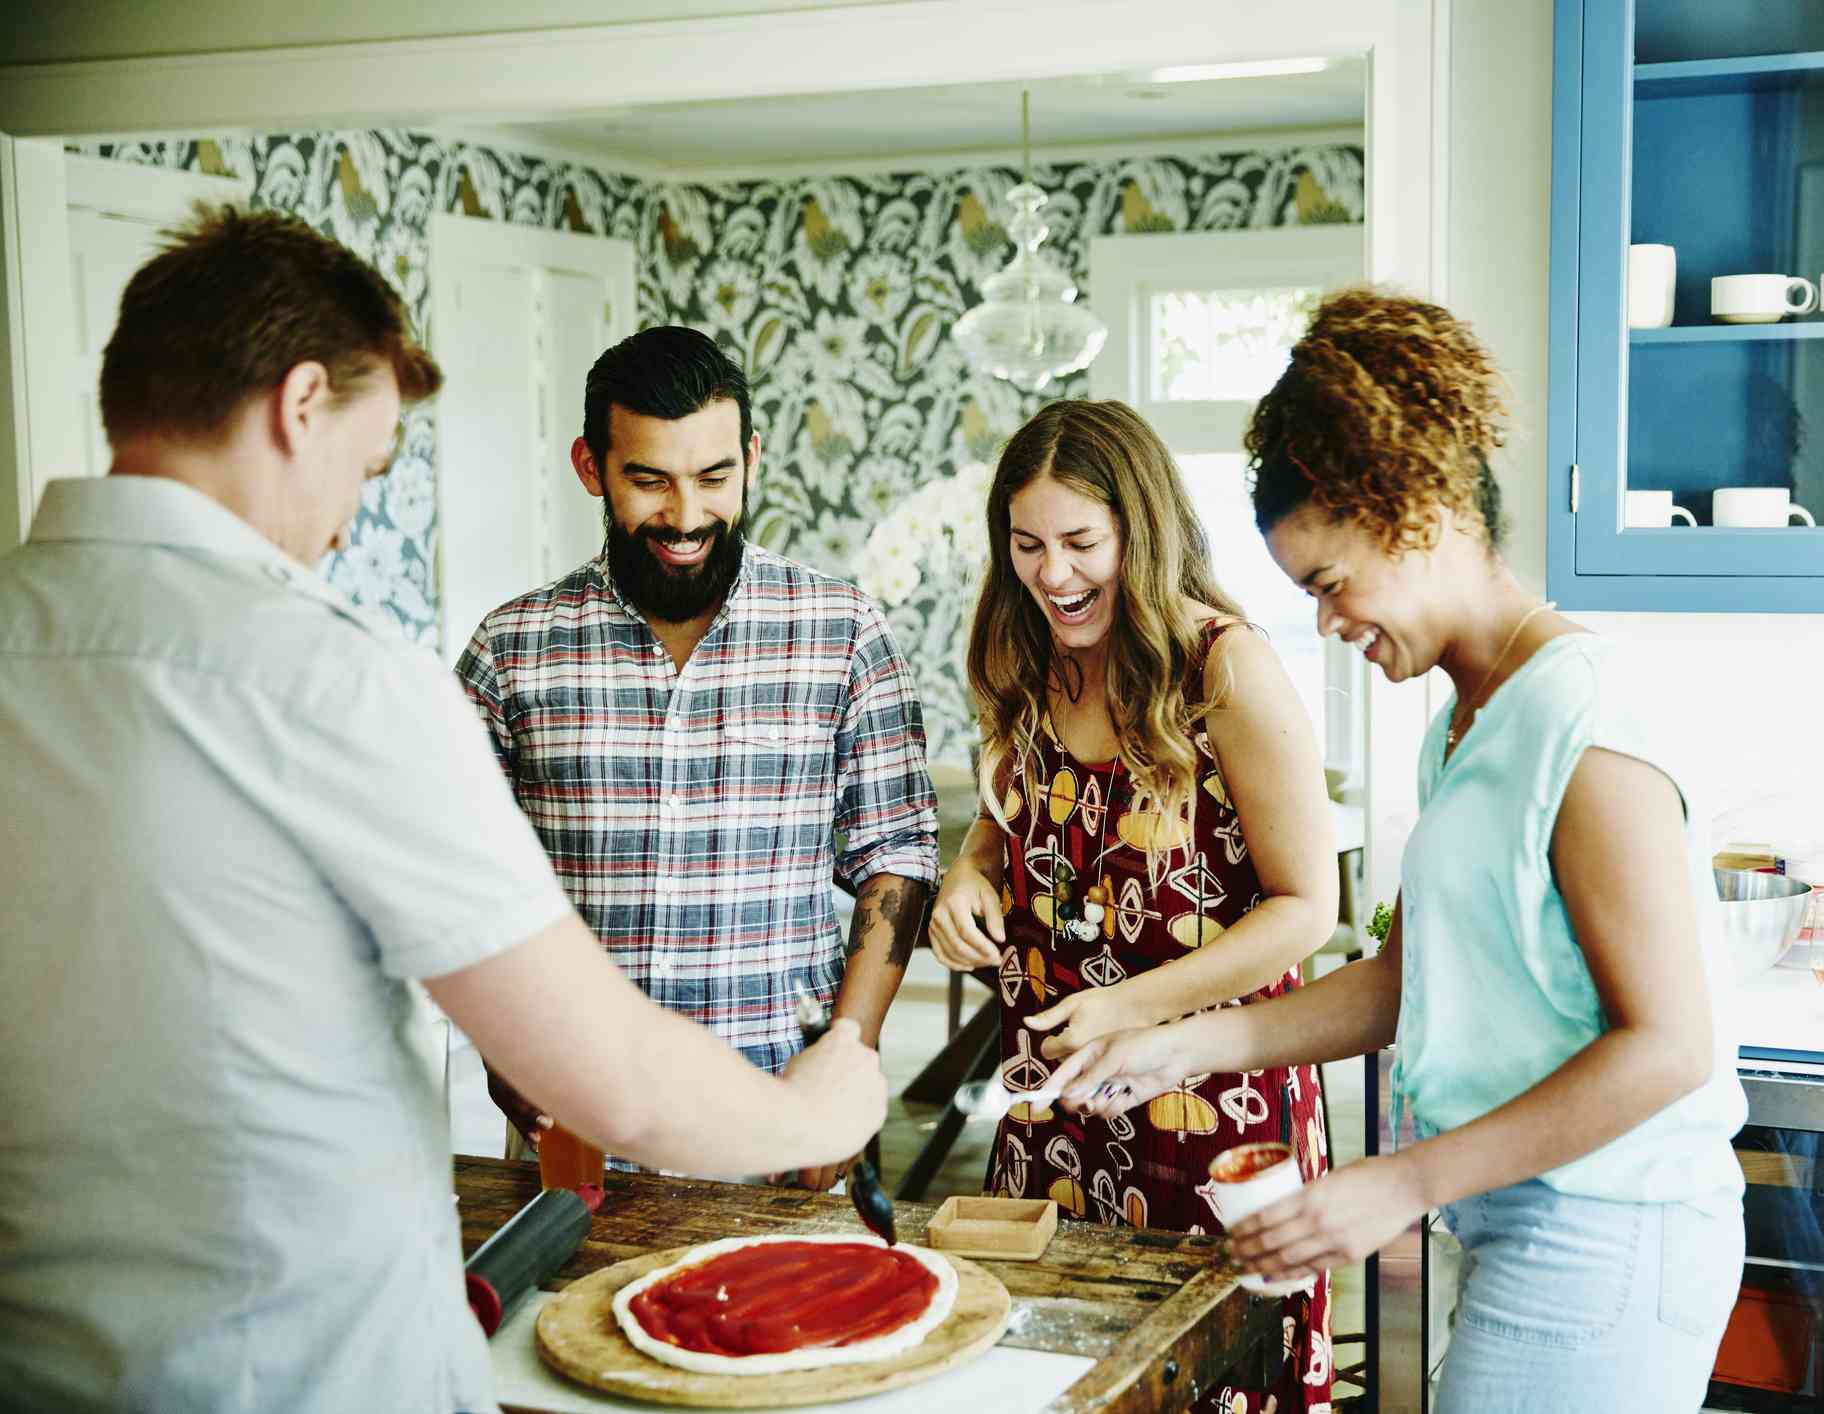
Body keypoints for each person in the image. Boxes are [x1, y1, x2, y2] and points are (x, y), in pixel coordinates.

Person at [0, 207, 885, 1414]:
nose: (344, 521)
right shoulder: (332, 678)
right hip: (303, 1369)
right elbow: (611, 1073)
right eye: (367, 467)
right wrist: (817, 1103)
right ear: (299, 406)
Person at [1048, 290, 1748, 1413]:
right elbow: (1401, 981)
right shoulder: (1464, 726)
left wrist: (1397, 1184)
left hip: (1611, 1231)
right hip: (1525, 1214)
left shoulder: (1584, 719)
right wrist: (1176, 1047)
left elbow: (1668, 1048)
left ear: (1419, 511)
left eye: (1329, 584)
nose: (1328, 624)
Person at [927, 399, 1340, 1413]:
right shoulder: (1024, 656)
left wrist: (1129, 1007)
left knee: (1210, 1381)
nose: (1053, 574)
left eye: (1081, 542)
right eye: (1027, 545)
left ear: (1141, 532)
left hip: (1212, 1109)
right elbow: (1010, 819)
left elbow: (1305, 908)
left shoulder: (1224, 668)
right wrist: (969, 872)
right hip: (1053, 1106)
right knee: (1049, 1374)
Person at [454, 326, 937, 1190]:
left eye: (714, 478)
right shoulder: (510, 649)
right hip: (578, 1125)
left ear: (751, 458)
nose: (684, 517)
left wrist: (849, 1052)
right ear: (592, 467)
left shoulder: (840, 631)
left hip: (785, 1116)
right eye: (649, 480)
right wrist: (501, 1049)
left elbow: (896, 854)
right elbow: (461, 875)